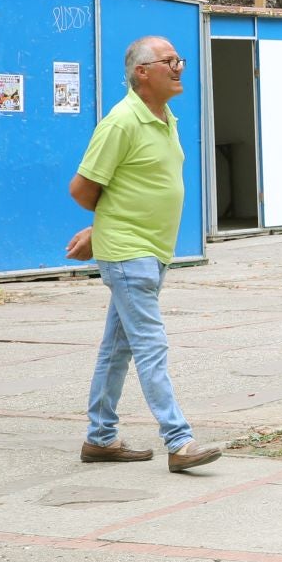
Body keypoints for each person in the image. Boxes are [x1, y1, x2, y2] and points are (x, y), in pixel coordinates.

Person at [65, 37, 220, 473]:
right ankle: (179, 440)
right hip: (130, 254)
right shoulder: (121, 122)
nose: (178, 68)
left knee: (117, 350)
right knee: (151, 345)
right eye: (168, 62)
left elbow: (131, 187)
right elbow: (83, 189)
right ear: (142, 72)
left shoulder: (164, 117)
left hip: (150, 251)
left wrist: (103, 226)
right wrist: (108, 228)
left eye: (179, 60)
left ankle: (100, 438)